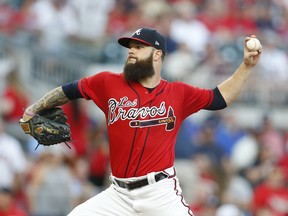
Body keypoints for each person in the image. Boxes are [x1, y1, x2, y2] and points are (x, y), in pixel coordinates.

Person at [19, 27, 262, 215]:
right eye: (130, 47)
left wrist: (246, 67)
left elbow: (220, 98)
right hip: (117, 193)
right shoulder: (107, 83)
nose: (131, 51)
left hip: (159, 191)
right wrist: (34, 108)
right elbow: (68, 90)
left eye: (139, 47)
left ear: (157, 55)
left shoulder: (179, 93)